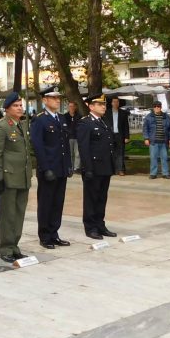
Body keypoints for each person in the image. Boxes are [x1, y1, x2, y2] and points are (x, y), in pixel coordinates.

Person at [0, 92, 34, 262]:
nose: (20, 108)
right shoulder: (1, 127)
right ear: (7, 109)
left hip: (22, 177)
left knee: (19, 213)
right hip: (8, 178)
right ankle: (6, 248)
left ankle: (15, 245)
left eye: (20, 105)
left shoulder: (22, 125)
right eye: (15, 106)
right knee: (8, 214)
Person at [30, 87, 71, 249]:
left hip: (60, 168)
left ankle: (54, 233)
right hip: (49, 169)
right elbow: (38, 146)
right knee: (46, 202)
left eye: (58, 98)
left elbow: (65, 145)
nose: (57, 100)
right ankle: (45, 235)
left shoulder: (61, 118)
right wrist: (45, 168)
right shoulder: (39, 120)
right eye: (53, 98)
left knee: (57, 203)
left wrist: (68, 164)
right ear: (45, 100)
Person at [77, 95, 117, 240]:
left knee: (101, 198)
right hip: (93, 167)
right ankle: (91, 227)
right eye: (99, 104)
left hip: (105, 167)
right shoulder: (85, 123)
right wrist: (87, 168)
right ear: (91, 106)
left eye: (104, 104)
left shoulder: (103, 122)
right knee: (91, 199)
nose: (103, 106)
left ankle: (100, 225)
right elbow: (84, 147)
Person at [142, 101, 170, 179]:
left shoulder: (166, 117)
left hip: (164, 142)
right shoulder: (149, 117)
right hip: (153, 142)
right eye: (155, 106)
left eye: (158, 106)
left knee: (165, 158)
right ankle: (153, 173)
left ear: (161, 107)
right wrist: (146, 138)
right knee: (153, 158)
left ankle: (166, 173)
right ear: (153, 108)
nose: (157, 108)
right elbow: (145, 129)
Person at [103, 96, 131, 176]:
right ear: (111, 103)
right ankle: (112, 169)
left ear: (119, 103)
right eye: (114, 102)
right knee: (110, 153)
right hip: (110, 135)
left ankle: (120, 170)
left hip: (120, 135)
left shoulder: (123, 113)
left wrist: (127, 137)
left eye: (117, 102)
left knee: (120, 153)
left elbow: (126, 126)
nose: (115, 103)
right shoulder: (106, 113)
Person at [63, 100, 81, 173]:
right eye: (70, 106)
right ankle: (70, 167)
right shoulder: (65, 116)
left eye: (73, 106)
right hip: (68, 138)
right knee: (69, 154)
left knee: (77, 154)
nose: (72, 108)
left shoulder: (79, 116)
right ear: (68, 107)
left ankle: (76, 168)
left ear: (75, 107)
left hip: (77, 137)